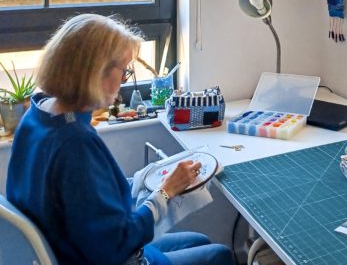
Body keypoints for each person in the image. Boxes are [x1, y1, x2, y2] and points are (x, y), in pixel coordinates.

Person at [6, 14, 234, 265]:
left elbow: (83, 195)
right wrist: (165, 193)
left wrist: (146, 180)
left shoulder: (39, 113)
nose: (123, 80)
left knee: (198, 241)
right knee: (219, 255)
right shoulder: (75, 143)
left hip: (70, 245)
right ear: (96, 72)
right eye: (124, 71)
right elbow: (117, 245)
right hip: (102, 256)